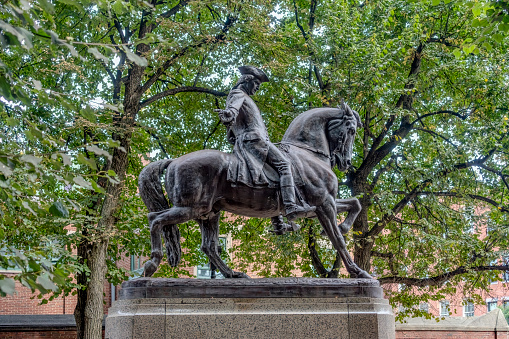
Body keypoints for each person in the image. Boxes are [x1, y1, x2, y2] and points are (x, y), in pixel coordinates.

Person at [215, 66, 315, 223]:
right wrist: (229, 114)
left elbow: (232, 129)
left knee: (271, 172)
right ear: (247, 81)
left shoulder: (243, 97)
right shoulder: (238, 94)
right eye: (256, 85)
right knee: (284, 164)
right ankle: (290, 206)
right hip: (255, 141)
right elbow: (232, 110)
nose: (256, 88)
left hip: (253, 140)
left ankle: (277, 221)